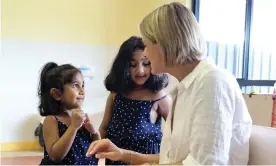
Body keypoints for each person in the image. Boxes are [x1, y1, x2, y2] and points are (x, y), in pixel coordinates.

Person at [87, 2, 252, 165]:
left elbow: (204, 164)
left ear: (163, 42)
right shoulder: (184, 88)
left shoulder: (212, 82)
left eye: (146, 45)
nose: (145, 53)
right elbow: (171, 159)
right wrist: (123, 155)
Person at [99, 36, 171, 165]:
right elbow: (104, 129)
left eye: (146, 63)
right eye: (132, 65)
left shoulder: (160, 97)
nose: (140, 70)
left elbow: (177, 137)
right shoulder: (116, 94)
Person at [38, 62, 100, 165]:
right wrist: (74, 127)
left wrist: (94, 132)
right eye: (76, 85)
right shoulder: (52, 120)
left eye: (83, 85)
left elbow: (97, 150)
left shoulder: (83, 118)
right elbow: (56, 156)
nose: (82, 91)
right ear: (57, 94)